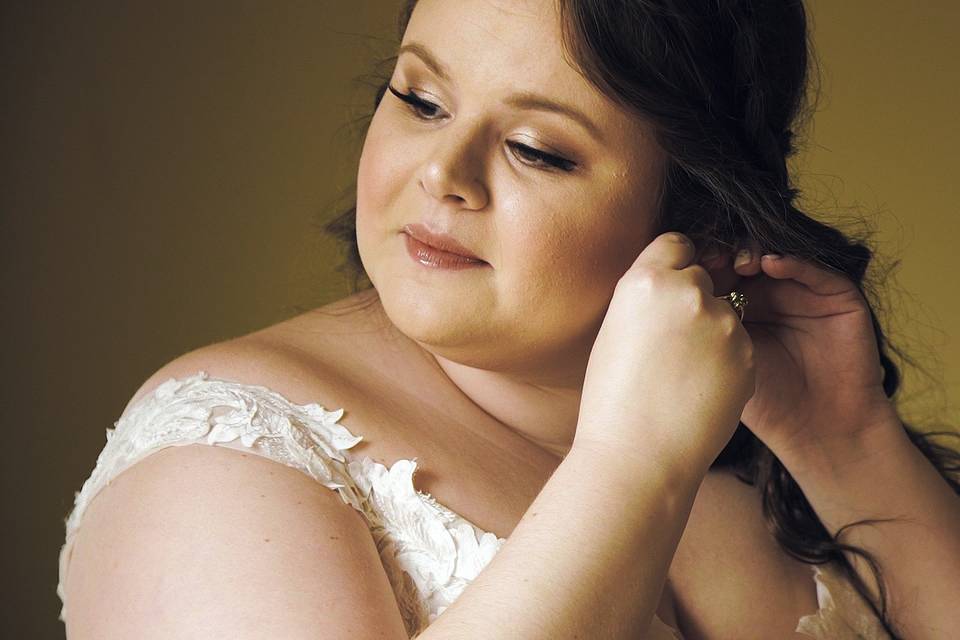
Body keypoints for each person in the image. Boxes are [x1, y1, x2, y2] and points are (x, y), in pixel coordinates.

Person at [57, 0, 960, 638]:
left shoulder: (767, 445)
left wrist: (846, 441)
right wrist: (628, 469)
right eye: (419, 99)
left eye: (536, 149)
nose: (443, 170)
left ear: (703, 207)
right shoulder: (223, 465)